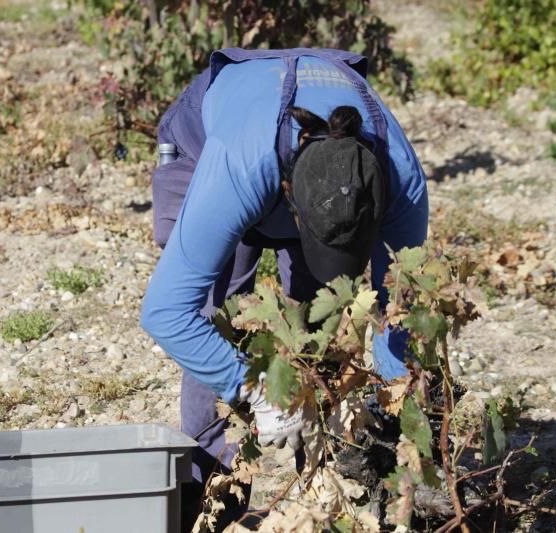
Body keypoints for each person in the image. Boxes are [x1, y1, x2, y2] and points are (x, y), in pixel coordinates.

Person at [140, 48, 429, 528]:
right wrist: (253, 389)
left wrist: (394, 412)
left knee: (316, 312)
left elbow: (397, 313)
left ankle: (319, 481)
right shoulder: (239, 166)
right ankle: (214, 492)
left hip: (292, 163)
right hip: (214, 144)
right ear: (291, 200)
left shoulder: (401, 182)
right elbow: (166, 313)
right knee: (220, 310)